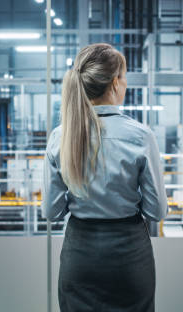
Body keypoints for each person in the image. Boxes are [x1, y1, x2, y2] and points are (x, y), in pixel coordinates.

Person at [42, 43, 168, 312]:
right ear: (114, 82)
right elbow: (156, 211)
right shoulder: (140, 136)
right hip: (129, 257)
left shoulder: (60, 136)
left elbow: (52, 211)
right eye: (124, 77)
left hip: (80, 255)